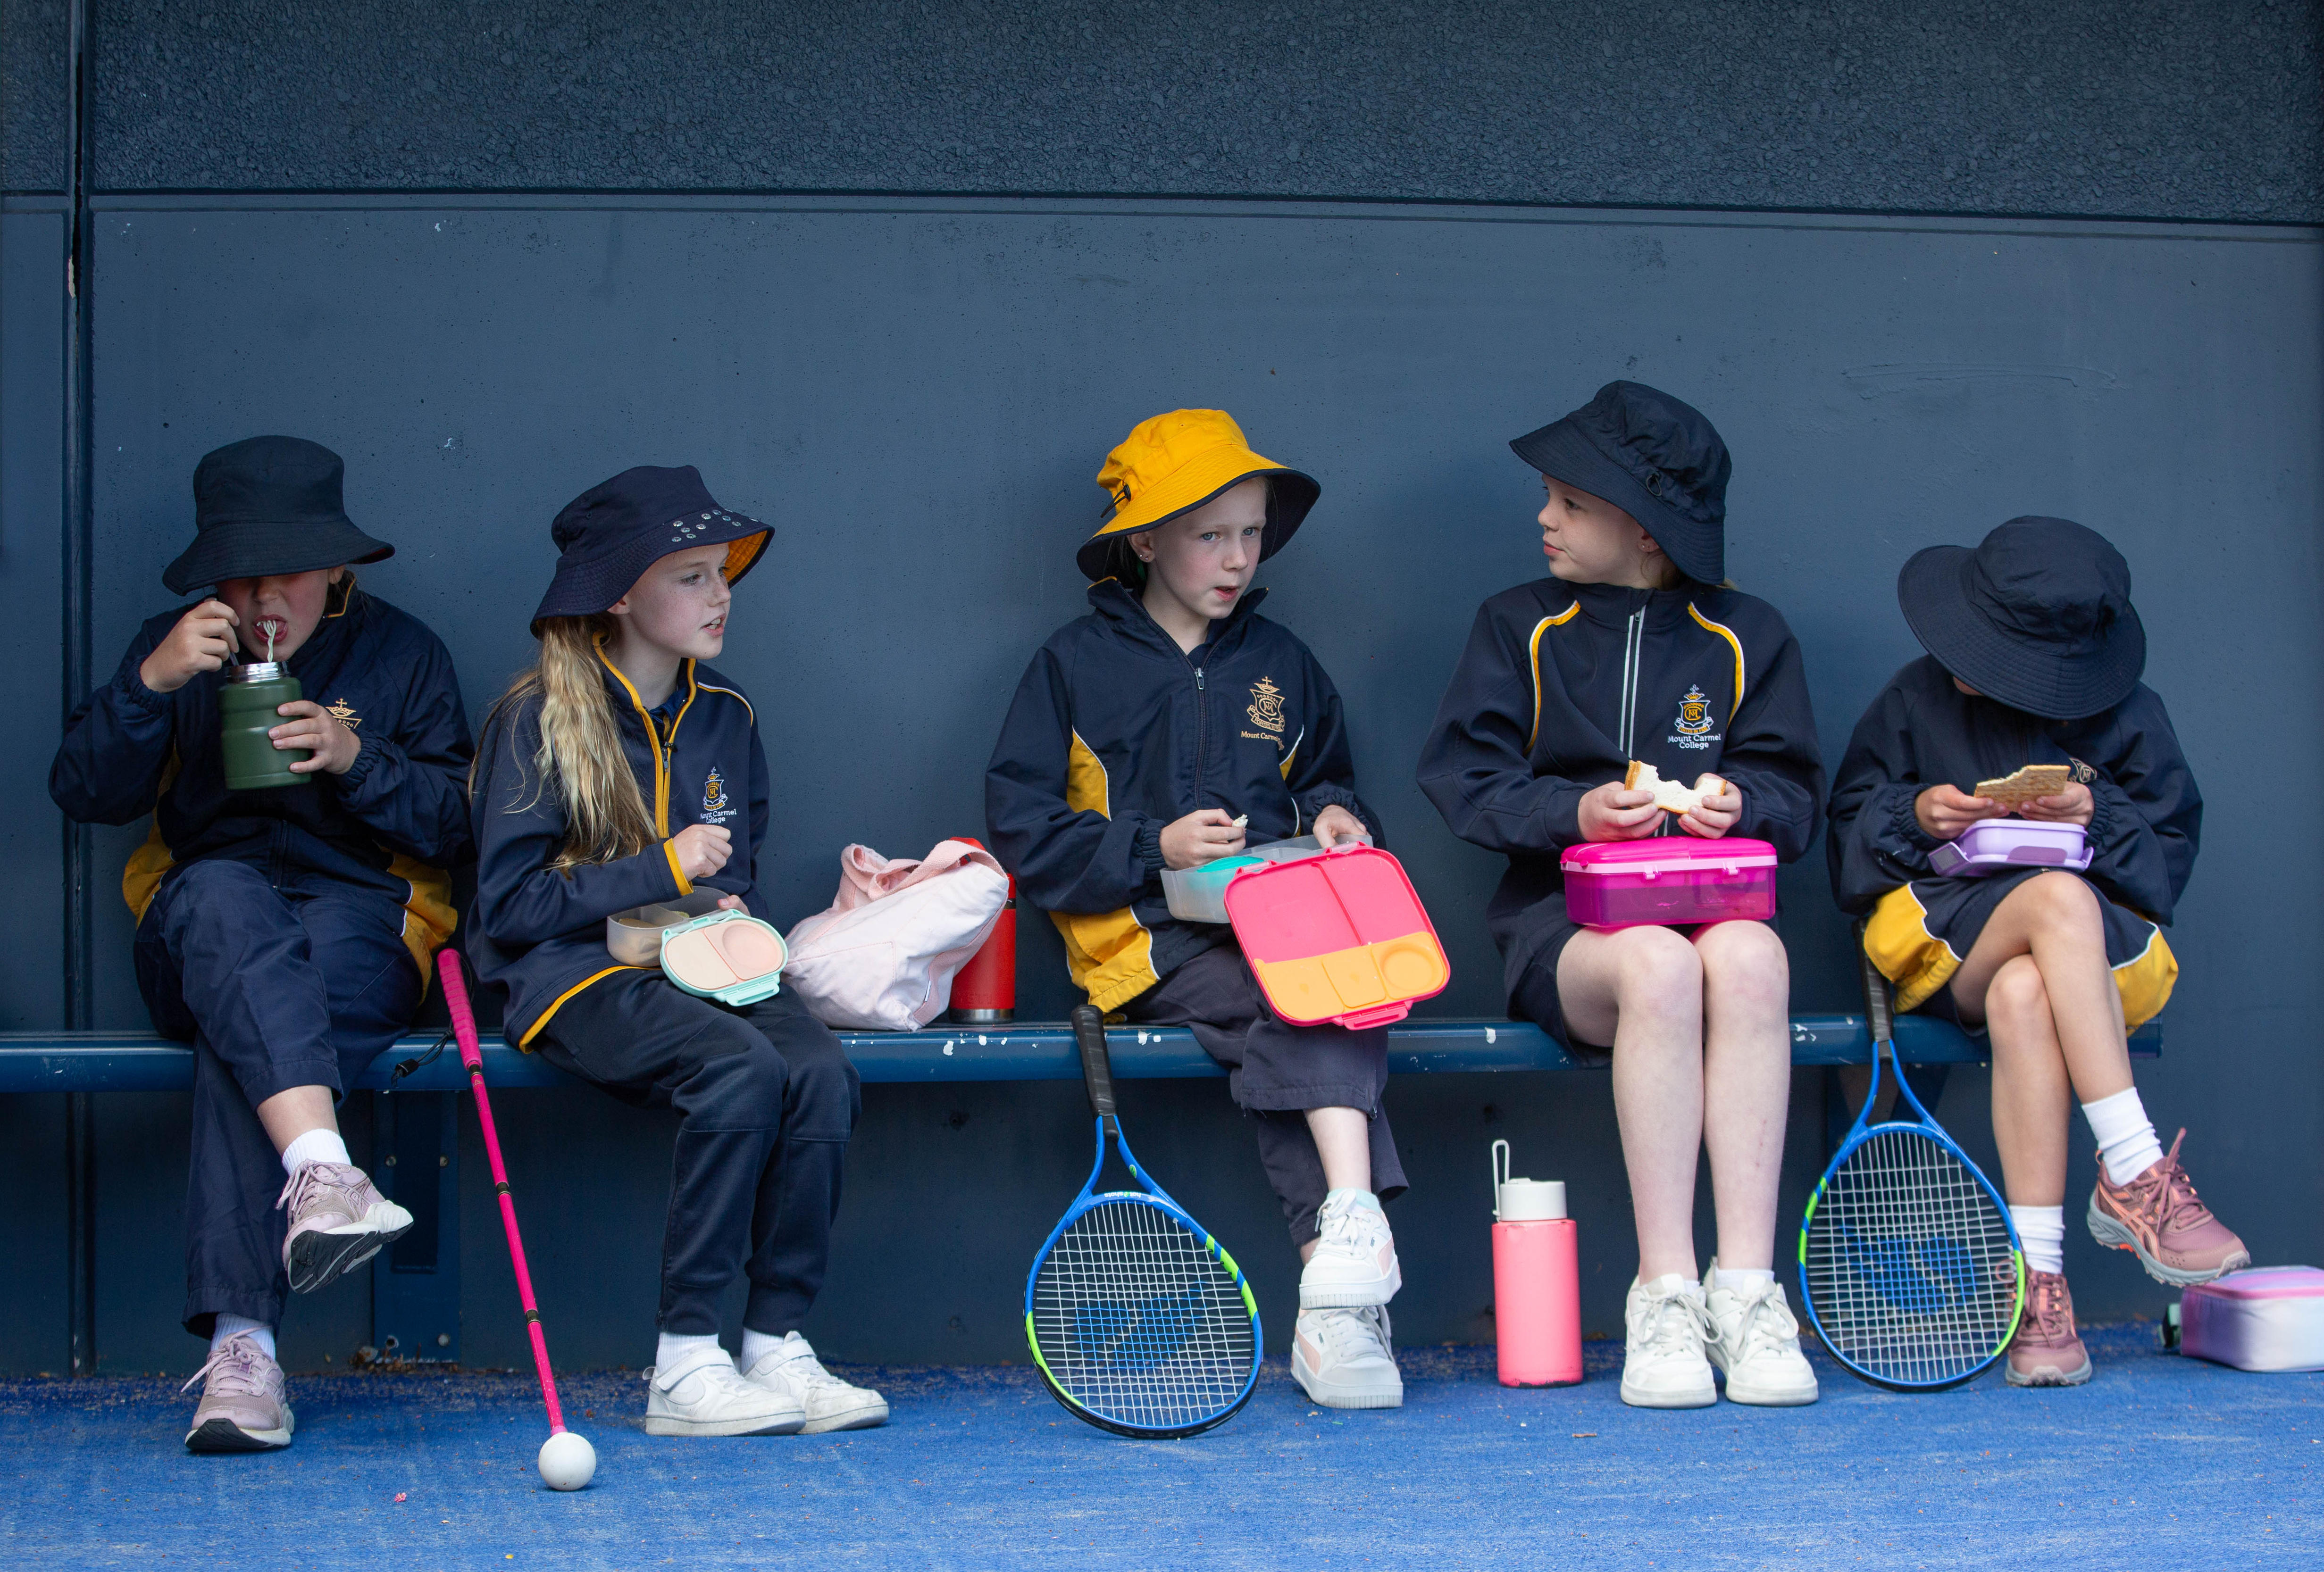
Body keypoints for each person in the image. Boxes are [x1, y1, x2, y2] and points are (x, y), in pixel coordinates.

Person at [50, 435, 473, 1452]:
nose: (258, 596)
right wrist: (150, 685)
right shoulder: (179, 643)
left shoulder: (402, 653)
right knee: (229, 904)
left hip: (359, 916)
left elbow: (460, 824)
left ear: (337, 566)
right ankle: (324, 1168)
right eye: (237, 574)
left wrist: (352, 755)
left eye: (282, 571)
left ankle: (245, 1354)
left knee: (254, 1025)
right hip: (203, 915)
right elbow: (84, 790)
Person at [985, 409, 1406, 1409]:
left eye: (1251, 532)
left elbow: (1329, 782)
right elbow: (1021, 823)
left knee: (1332, 985)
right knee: (1300, 995)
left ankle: (1336, 1279)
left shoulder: (1285, 662)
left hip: (1290, 925)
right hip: (1144, 943)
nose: (1236, 557)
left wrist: (1339, 817)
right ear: (1144, 540)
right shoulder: (1073, 664)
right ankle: (1348, 1247)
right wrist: (1151, 845)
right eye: (1209, 533)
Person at [1419, 383, 1825, 1409]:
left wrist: (1741, 802)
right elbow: (1465, 780)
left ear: (1643, 530)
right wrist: (1578, 813)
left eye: (1569, 501)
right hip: (1574, 934)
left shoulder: (1748, 633)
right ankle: (1665, 1290)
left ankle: (1747, 1289)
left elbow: (1795, 792)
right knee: (1658, 959)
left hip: (1713, 908)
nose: (1543, 518)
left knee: (1749, 954)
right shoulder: (1518, 623)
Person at [466, 464, 884, 1438]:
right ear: (619, 591)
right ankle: (686, 1361)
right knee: (736, 1066)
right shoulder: (535, 715)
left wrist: (743, 908)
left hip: (704, 963)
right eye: (690, 574)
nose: (720, 593)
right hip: (567, 974)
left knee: (818, 1068)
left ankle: (774, 1342)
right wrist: (660, 865)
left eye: (722, 571)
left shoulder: (726, 711)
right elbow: (512, 904)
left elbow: (744, 867)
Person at [1827, 516, 2246, 1388]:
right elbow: (1844, 842)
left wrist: (2101, 815)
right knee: (2048, 909)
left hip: (2104, 961)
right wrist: (1919, 814)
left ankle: (2038, 1282)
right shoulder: (1914, 698)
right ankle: (2133, 1170)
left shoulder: (2132, 717)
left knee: (2029, 989)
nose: (1965, 664)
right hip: (1945, 939)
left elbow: (2168, 860)